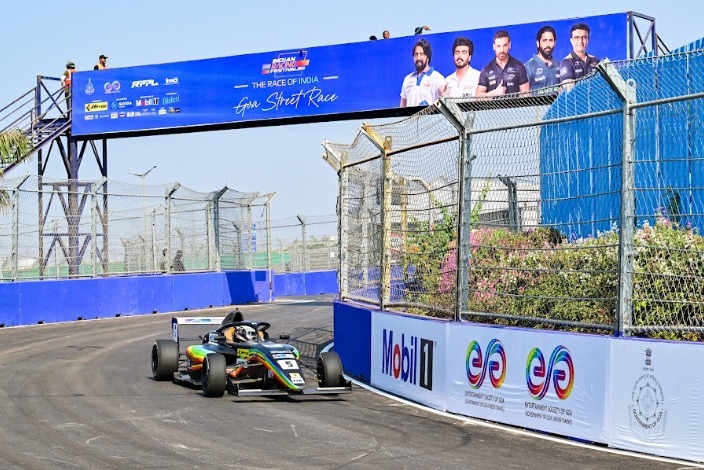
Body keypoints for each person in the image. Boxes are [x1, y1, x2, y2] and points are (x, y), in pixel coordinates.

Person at [475, 30, 529, 98]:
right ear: (494, 47)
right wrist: (493, 93)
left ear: (509, 45)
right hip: (493, 105)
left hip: (514, 105)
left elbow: (526, 94)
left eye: (505, 45)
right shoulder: (486, 70)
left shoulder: (519, 66)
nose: (502, 50)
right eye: (498, 46)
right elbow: (478, 97)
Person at [400, 39, 445, 107]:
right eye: (416, 54)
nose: (418, 58)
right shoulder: (407, 79)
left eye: (422, 54)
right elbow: (402, 107)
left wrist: (444, 94)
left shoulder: (437, 78)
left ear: (428, 57)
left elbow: (444, 95)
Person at [559, 23, 600, 90]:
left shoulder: (595, 60)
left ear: (588, 39)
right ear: (571, 40)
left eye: (584, 37)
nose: (580, 41)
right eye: (576, 37)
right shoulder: (567, 62)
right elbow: (570, 91)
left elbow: (602, 84)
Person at [525, 26, 561, 95]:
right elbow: (523, 95)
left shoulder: (559, 65)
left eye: (551, 40)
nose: (548, 44)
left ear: (555, 43)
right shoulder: (528, 67)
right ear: (538, 43)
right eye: (544, 40)